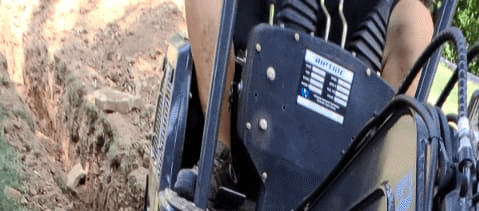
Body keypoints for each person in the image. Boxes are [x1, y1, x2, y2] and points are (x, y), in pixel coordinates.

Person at [184, 0, 434, 188]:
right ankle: (219, 155)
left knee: (417, 20)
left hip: (346, 157)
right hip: (248, 108)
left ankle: (371, 197)